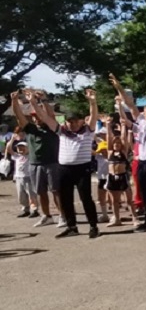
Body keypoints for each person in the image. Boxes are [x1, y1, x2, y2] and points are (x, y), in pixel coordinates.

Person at [33, 89, 99, 239]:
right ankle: (72, 227)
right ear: (66, 122)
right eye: (70, 121)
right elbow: (45, 117)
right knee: (65, 199)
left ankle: (93, 226)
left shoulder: (88, 130)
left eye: (75, 121)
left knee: (86, 198)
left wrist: (92, 101)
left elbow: (94, 115)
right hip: (64, 169)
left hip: (82, 168)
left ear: (81, 121)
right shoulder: (61, 131)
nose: (73, 124)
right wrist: (37, 102)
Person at [111, 71, 146, 233]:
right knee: (145, 192)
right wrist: (119, 88)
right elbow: (130, 104)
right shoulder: (141, 121)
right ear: (144, 113)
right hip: (142, 162)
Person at [12, 90, 63, 227]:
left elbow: (50, 115)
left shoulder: (52, 128)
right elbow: (19, 116)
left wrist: (43, 100)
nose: (36, 119)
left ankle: (62, 216)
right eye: (34, 117)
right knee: (40, 192)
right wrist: (14, 101)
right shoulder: (30, 129)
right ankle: (46, 216)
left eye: (38, 116)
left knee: (56, 191)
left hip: (52, 163)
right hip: (35, 164)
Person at [7, 139, 38, 218]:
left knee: (31, 195)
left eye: (23, 147)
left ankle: (34, 210)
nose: (20, 149)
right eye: (19, 147)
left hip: (28, 178)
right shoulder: (16, 156)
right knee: (21, 196)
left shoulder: (30, 156)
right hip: (18, 178)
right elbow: (9, 148)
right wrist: (12, 139)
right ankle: (26, 210)